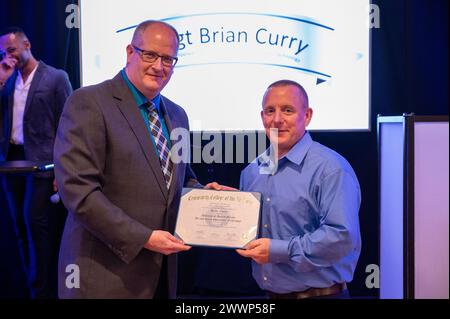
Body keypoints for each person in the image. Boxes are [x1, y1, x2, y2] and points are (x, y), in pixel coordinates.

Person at [54, 20, 227, 299]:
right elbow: (79, 192)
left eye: (168, 59)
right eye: (150, 55)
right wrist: (144, 238)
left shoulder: (177, 114)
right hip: (103, 278)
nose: (159, 66)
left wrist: (205, 197)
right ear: (129, 52)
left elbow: (179, 182)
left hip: (160, 278)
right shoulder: (88, 102)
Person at [237, 80, 361, 299]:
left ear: (307, 116)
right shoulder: (252, 171)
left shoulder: (330, 168)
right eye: (270, 111)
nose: (277, 120)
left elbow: (341, 236)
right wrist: (224, 203)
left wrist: (279, 250)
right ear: (262, 116)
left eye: (287, 110)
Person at [0, 27, 73, 298]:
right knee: (19, 226)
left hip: (42, 165)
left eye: (11, 50)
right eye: (3, 53)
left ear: (27, 45)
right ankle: (30, 287)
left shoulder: (55, 77)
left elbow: (68, 125)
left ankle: (43, 289)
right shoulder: (6, 80)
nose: (7, 56)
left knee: (36, 227)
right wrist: (1, 79)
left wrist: (61, 168)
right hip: (11, 163)